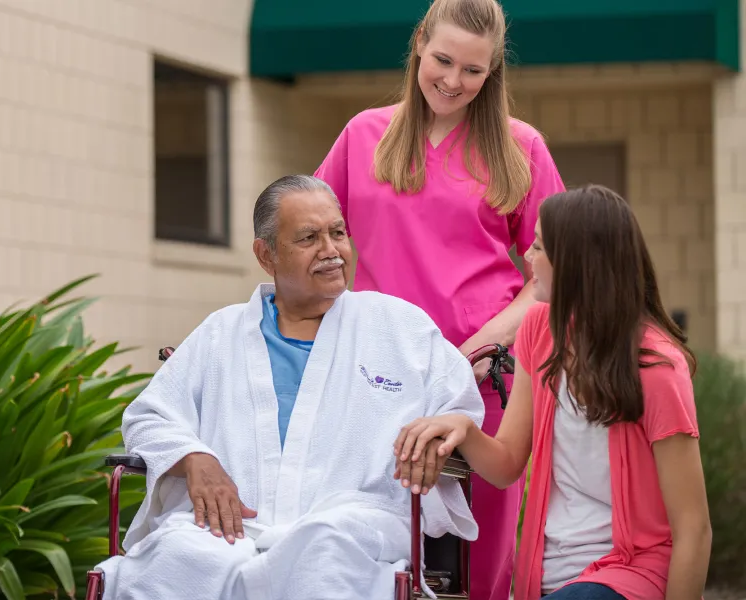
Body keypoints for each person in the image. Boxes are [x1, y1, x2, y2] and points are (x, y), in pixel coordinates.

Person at [95, 175, 485, 600]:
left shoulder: (398, 326)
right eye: (309, 238)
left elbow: (458, 406)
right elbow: (149, 416)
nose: (331, 251)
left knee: (320, 555)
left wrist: (443, 427)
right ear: (267, 255)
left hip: (350, 525)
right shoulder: (220, 333)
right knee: (175, 556)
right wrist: (193, 459)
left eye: (338, 233)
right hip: (229, 529)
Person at [313, 0, 565, 596]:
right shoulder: (362, 136)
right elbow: (314, 243)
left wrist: (477, 345)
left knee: (476, 572)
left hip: (484, 386)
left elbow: (558, 271)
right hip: (371, 384)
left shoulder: (521, 146)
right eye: (443, 60)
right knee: (368, 558)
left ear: (493, 69)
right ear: (420, 43)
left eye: (473, 71)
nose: (453, 82)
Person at [393, 185, 713, 600]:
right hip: (546, 578)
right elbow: (507, 463)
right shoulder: (540, 331)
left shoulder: (656, 368)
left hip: (632, 574)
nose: (526, 257)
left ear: (579, 265)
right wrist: (463, 430)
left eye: (539, 247)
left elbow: (694, 528)